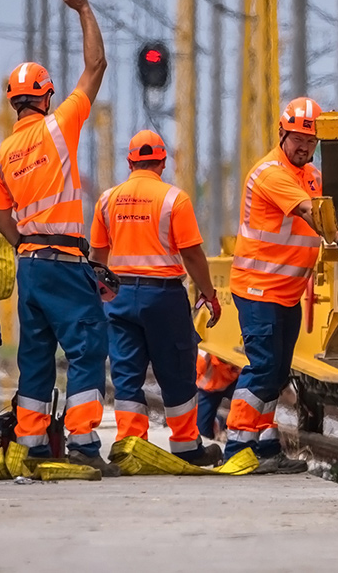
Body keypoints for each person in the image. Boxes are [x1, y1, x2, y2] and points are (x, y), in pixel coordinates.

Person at [0, 0, 110, 475]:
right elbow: (96, 66)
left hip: (30, 267)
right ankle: (81, 442)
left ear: (14, 102)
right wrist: (83, 9)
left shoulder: (1, 153)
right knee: (86, 343)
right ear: (46, 96)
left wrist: (25, 245)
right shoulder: (60, 128)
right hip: (62, 261)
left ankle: (33, 444)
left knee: (35, 355)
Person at [225, 96, 338, 473]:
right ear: (282, 134)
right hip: (259, 288)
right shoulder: (272, 174)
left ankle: (263, 445)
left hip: (285, 292)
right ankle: (237, 447)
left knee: (276, 371)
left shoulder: (309, 175)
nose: (304, 147)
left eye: (311, 141)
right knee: (263, 367)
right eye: (297, 139)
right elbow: (312, 212)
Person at [91, 129, 223, 466]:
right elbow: (193, 255)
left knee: (126, 374)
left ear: (130, 161)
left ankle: (131, 446)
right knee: (177, 371)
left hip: (119, 296)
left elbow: (97, 256)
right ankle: (185, 446)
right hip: (163, 297)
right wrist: (208, 293)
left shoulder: (107, 200)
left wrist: (102, 297)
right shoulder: (173, 199)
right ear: (162, 162)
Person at [195, 350, 241, 441]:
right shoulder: (201, 356)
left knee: (251, 403)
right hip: (209, 391)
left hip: (234, 383)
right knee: (203, 433)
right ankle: (218, 420)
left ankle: (229, 425)